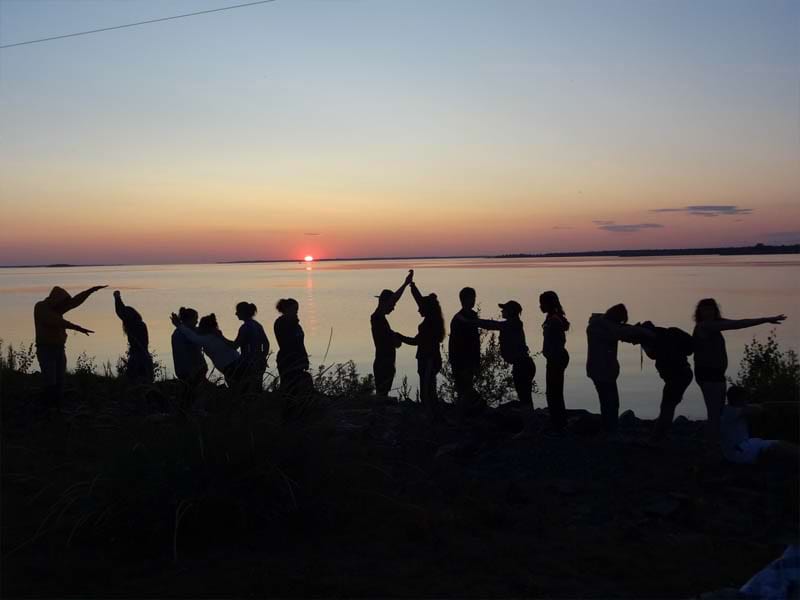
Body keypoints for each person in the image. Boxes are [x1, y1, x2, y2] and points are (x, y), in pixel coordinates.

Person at [693, 298, 786, 443]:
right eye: (704, 309)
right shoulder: (705, 326)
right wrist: (766, 319)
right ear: (700, 312)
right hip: (709, 375)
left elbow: (740, 322)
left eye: (711, 309)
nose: (708, 312)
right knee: (715, 413)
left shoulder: (715, 324)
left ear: (715, 311)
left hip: (715, 374)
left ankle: (713, 441)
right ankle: (712, 446)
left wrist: (766, 319)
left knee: (717, 411)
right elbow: (736, 325)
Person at [33, 285, 106, 414]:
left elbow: (74, 302)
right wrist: (77, 327)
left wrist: (90, 291)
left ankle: (58, 409)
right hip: (46, 350)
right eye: (62, 304)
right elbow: (55, 321)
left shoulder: (57, 308)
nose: (64, 308)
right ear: (56, 301)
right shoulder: (41, 307)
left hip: (60, 349)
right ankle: (48, 409)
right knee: (50, 380)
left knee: (60, 380)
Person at [586, 304, 653, 434]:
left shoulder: (603, 325)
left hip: (606, 371)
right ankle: (610, 430)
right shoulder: (597, 328)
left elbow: (621, 331)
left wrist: (636, 330)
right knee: (609, 402)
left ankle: (609, 429)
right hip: (600, 371)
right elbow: (620, 333)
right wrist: (643, 332)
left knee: (610, 402)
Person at [397, 278, 446, 419]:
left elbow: (416, 341)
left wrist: (400, 336)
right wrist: (412, 285)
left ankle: (430, 416)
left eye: (420, 308)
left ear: (426, 309)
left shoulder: (430, 324)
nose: (418, 309)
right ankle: (431, 414)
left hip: (429, 359)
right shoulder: (432, 317)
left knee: (427, 390)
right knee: (429, 387)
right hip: (427, 359)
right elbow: (420, 301)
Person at [639, 321, 694, 441]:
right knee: (669, 405)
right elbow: (690, 348)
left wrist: (644, 343)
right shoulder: (671, 333)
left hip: (677, 376)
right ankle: (661, 434)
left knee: (666, 407)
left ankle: (658, 436)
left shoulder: (657, 341)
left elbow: (652, 354)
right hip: (684, 374)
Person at [721, 386, 799, 466]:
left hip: (740, 449)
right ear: (739, 398)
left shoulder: (727, 410)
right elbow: (757, 410)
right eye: (744, 398)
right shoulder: (732, 411)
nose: (746, 401)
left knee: (779, 446)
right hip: (740, 450)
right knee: (780, 445)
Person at [370, 270, 413, 398]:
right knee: (382, 394)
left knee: (383, 393)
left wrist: (405, 284)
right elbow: (392, 342)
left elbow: (393, 299)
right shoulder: (377, 318)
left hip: (386, 363)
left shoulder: (380, 318)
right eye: (392, 305)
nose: (393, 308)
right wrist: (396, 338)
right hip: (383, 363)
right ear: (384, 303)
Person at [170, 312, 241, 387]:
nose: (197, 324)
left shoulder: (208, 338)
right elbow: (193, 334)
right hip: (233, 365)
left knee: (237, 387)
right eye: (196, 319)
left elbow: (193, 337)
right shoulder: (212, 336)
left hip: (231, 367)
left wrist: (179, 325)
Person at [449, 287, 484, 417]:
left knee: (466, 387)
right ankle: (463, 415)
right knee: (463, 389)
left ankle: (465, 414)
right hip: (460, 360)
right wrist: (454, 361)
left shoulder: (472, 316)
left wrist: (477, 361)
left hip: (470, 359)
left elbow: (475, 342)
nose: (474, 300)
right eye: (471, 298)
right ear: (464, 300)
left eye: (474, 298)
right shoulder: (458, 319)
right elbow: (454, 343)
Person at [539, 291, 570, 433]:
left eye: (542, 303)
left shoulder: (554, 320)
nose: (540, 306)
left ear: (548, 304)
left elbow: (559, 341)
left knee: (553, 392)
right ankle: (558, 421)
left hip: (556, 359)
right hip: (555, 358)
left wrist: (552, 355)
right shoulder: (552, 318)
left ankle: (558, 424)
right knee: (554, 391)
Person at [171, 307, 208, 410]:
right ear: (189, 320)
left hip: (184, 370)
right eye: (195, 319)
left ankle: (187, 411)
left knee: (189, 393)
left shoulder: (178, 333)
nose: (197, 321)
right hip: (192, 370)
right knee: (196, 394)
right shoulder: (186, 334)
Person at [113, 291, 154, 384]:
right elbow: (121, 311)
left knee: (136, 379)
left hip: (138, 355)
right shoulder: (139, 324)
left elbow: (121, 312)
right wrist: (117, 298)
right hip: (141, 353)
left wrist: (117, 297)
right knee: (142, 379)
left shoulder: (133, 325)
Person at [274, 298, 312, 397]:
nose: (296, 311)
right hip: (287, 359)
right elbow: (288, 342)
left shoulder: (296, 325)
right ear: (286, 309)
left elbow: (300, 343)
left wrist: (305, 358)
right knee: (289, 386)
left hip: (298, 359)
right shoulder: (281, 323)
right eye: (294, 309)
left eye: (297, 309)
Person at [233, 301, 270, 392]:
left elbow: (235, 345)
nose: (236, 313)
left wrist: (220, 338)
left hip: (248, 364)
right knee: (257, 389)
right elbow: (266, 343)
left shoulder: (245, 328)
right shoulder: (257, 325)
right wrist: (262, 357)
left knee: (247, 390)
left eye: (238, 311)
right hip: (259, 363)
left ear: (243, 313)